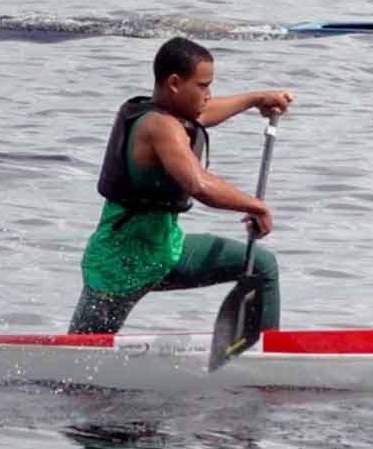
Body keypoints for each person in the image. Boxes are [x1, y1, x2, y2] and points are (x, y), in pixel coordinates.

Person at [67, 36, 292, 335]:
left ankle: (266, 352)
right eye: (203, 86)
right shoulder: (158, 126)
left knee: (262, 265)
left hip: (165, 251)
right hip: (122, 262)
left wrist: (257, 99)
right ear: (174, 83)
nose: (208, 95)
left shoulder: (172, 114)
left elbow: (205, 113)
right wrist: (256, 206)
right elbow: (198, 184)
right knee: (81, 353)